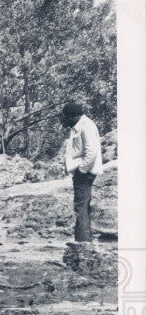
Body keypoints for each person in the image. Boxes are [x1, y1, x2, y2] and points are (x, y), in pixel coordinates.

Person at [62, 100, 103, 242]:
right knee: (82, 206)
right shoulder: (79, 126)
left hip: (85, 173)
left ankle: (83, 242)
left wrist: (82, 170)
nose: (65, 119)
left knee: (81, 207)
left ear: (73, 116)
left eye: (66, 116)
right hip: (82, 171)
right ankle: (83, 240)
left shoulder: (87, 126)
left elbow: (92, 152)